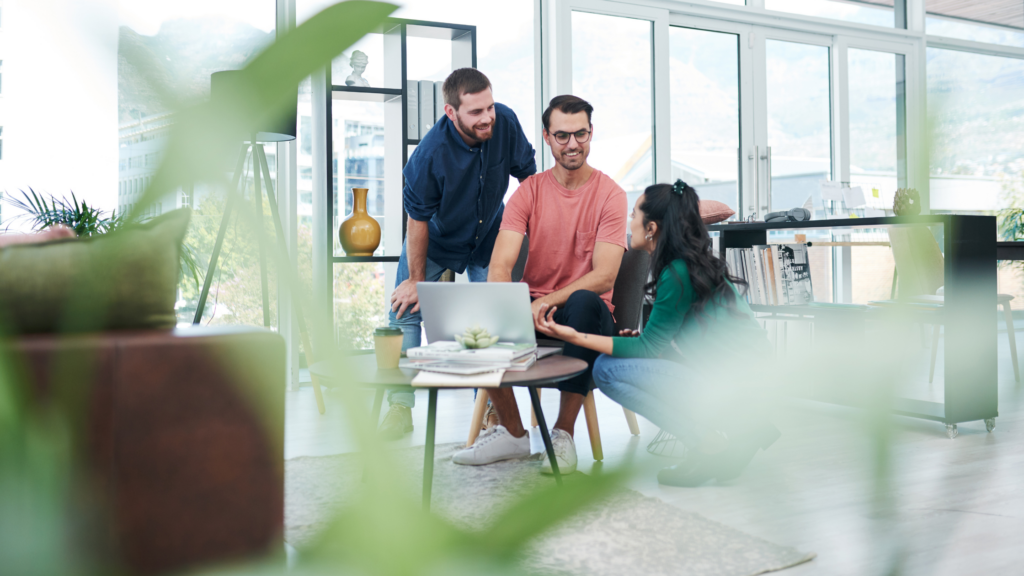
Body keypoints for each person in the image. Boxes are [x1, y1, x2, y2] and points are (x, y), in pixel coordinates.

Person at [534, 180, 779, 487]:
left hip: (739, 383)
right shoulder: (683, 266)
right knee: (616, 362)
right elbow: (669, 342)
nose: (630, 221)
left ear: (651, 227)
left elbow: (649, 350)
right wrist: (638, 340)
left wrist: (572, 336)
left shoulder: (676, 273)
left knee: (608, 370)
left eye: (634, 214)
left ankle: (709, 443)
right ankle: (738, 431)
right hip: (746, 377)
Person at [451, 95, 627, 474]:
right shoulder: (529, 191)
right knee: (476, 314)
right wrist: (511, 308)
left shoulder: (611, 195)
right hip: (531, 309)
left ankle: (562, 435)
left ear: (591, 132)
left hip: (589, 314)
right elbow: (499, 265)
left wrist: (543, 303)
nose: (573, 144)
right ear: (547, 138)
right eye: (562, 136)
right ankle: (513, 433)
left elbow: (605, 276)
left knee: (580, 300)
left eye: (581, 133)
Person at [379, 68, 537, 440]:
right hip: (436, 239)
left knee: (491, 321)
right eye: (475, 113)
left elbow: (529, 181)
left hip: (488, 235)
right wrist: (416, 280)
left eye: (489, 108)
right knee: (402, 311)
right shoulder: (429, 155)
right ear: (451, 113)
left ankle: (486, 412)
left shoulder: (506, 122)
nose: (487, 118)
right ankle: (400, 407)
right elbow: (416, 220)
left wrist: (524, 234)